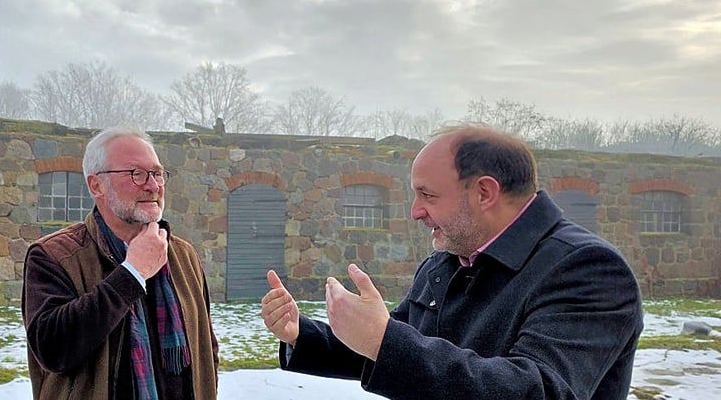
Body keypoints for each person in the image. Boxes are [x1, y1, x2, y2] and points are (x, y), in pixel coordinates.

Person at [260, 123, 643, 400]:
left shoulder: (588, 269)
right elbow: (393, 345)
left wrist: (383, 339)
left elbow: (538, 389)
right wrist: (302, 335)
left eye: (427, 195)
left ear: (484, 192)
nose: (415, 212)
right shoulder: (447, 261)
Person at [23, 126, 219, 400]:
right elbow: (53, 351)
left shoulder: (183, 255)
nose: (153, 186)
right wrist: (131, 274)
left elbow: (207, 352)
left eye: (157, 173)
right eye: (136, 173)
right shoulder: (54, 255)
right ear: (97, 186)